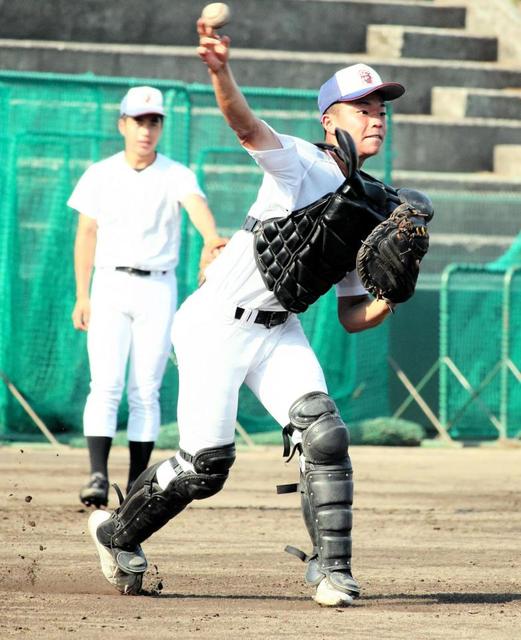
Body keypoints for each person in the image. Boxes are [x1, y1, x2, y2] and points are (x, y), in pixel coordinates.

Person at [87, 20, 426, 606]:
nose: (376, 116)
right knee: (206, 467)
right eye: (362, 106)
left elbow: (351, 315)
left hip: (279, 332)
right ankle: (117, 534)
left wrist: (389, 298)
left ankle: (331, 570)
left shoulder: (373, 206)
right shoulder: (299, 162)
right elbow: (243, 123)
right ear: (330, 118)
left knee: (326, 434)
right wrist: (221, 72)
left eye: (382, 108)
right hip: (215, 323)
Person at [69, 85, 226, 509]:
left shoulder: (176, 173)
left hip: (158, 286)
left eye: (154, 121)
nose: (146, 129)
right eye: (139, 120)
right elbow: (86, 233)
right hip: (110, 284)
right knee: (104, 384)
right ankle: (97, 476)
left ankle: (136, 480)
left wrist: (211, 237)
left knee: (146, 389)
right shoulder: (100, 173)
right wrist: (82, 295)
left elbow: (196, 207)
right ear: (123, 124)